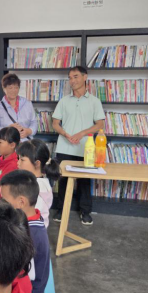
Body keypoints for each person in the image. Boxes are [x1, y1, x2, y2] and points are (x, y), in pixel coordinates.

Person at [51, 65, 105, 226]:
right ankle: (61, 210)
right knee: (63, 181)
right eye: (70, 78)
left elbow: (100, 124)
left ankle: (85, 212)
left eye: (75, 77)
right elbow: (55, 123)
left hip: (85, 148)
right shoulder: (64, 101)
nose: (72, 81)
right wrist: (65, 134)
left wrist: (82, 133)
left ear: (85, 77)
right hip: (64, 147)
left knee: (84, 182)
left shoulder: (94, 101)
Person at [0, 170, 50, 293]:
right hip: (23, 287)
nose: (0, 204)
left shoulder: (28, 234)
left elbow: (8, 273)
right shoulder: (31, 219)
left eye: (4, 200)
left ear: (21, 202)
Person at [16, 139, 61, 228]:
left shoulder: (37, 188)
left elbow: (28, 217)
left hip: (32, 231)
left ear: (37, 163)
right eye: (18, 158)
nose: (18, 163)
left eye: (22, 160)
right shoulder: (37, 182)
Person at [0, 73, 37, 142]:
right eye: (10, 88)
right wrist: (7, 129)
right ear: (4, 88)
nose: (13, 90)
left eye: (16, 87)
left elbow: (34, 122)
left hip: (25, 143)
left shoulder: (27, 103)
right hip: (7, 144)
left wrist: (29, 131)